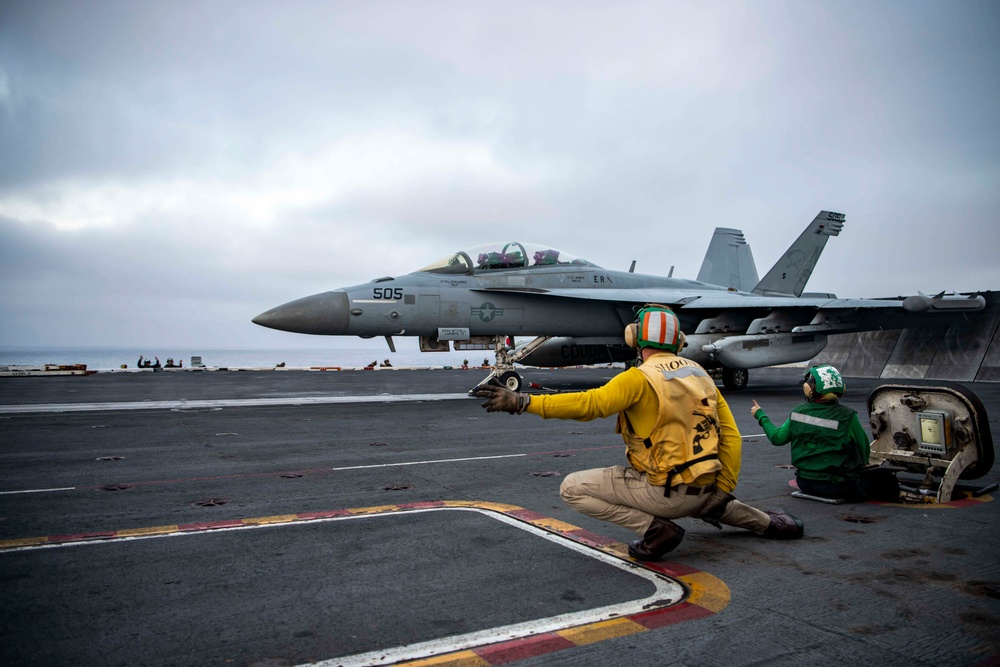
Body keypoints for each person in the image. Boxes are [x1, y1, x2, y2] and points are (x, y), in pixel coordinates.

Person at [474, 305, 803, 561]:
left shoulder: (639, 378)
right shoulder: (699, 373)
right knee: (704, 496)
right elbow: (730, 435)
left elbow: (589, 404)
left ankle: (656, 531)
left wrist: (522, 401)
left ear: (634, 337)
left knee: (571, 488)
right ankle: (769, 523)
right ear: (678, 340)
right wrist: (725, 486)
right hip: (707, 488)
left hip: (664, 494)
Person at [750, 365, 898, 502]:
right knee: (888, 481)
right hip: (837, 485)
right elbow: (864, 450)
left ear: (810, 388)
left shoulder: (797, 412)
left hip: (805, 483)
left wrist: (760, 415)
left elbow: (777, 438)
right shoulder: (848, 416)